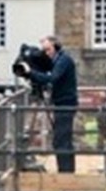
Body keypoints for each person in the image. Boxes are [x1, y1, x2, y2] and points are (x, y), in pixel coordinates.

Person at [23, 36, 78, 173]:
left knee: (62, 141)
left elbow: (52, 78)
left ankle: (66, 172)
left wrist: (31, 73)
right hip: (61, 103)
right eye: (44, 50)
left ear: (56, 47)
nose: (46, 53)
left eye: (48, 49)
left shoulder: (63, 60)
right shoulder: (57, 60)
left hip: (65, 103)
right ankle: (65, 171)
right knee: (60, 140)